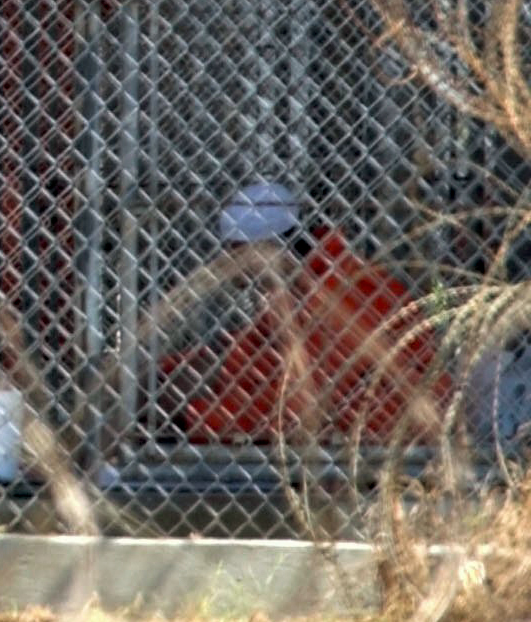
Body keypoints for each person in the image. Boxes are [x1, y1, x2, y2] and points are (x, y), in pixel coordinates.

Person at [155, 183, 445, 446]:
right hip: (349, 429)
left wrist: (191, 418)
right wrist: (166, 373)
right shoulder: (303, 287)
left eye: (235, 251)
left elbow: (301, 403)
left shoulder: (344, 291)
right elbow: (253, 356)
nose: (227, 263)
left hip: (381, 434)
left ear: (265, 249)